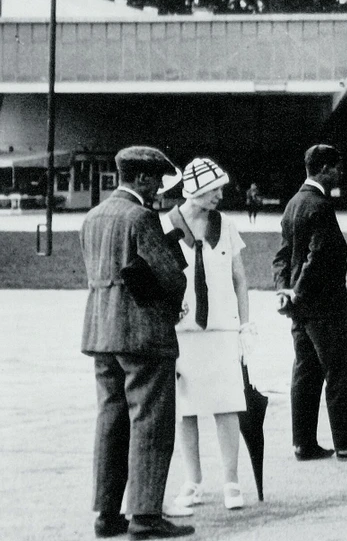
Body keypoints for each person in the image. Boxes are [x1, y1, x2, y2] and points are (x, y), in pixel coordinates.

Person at [80, 146, 194, 539]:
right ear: (142, 179)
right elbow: (170, 275)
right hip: (143, 332)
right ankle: (145, 516)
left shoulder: (92, 217)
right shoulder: (142, 217)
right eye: (157, 181)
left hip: (100, 330)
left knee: (111, 421)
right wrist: (175, 301)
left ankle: (107, 514)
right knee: (149, 421)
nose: (159, 189)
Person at [274, 144, 347, 462]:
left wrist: (284, 290)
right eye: (337, 167)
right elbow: (319, 254)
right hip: (323, 306)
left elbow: (283, 255)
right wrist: (298, 290)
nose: (341, 172)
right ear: (323, 169)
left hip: (301, 310)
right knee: (345, 371)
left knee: (306, 372)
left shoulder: (294, 203)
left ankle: (304, 444)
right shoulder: (320, 206)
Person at [161, 158, 254, 513]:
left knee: (227, 405)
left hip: (221, 330)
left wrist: (245, 325)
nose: (219, 195)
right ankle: (193, 481)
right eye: (214, 189)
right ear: (195, 191)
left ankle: (231, 480)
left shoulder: (225, 224)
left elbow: (239, 278)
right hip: (182, 333)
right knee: (186, 409)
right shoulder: (166, 225)